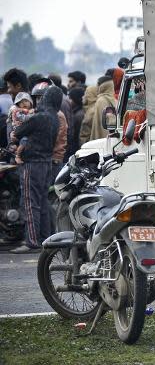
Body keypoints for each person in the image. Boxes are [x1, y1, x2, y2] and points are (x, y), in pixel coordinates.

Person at [10, 86, 61, 253]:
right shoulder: (55, 118)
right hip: (46, 163)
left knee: (30, 204)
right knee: (42, 203)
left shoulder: (38, 117)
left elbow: (17, 132)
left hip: (32, 164)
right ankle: (46, 238)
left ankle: (32, 241)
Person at [87, 75, 116, 142]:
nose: (97, 87)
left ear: (102, 86)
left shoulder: (101, 101)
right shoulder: (114, 99)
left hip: (103, 140)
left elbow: (101, 128)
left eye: (98, 85)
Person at [7, 92, 34, 163]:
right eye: (21, 102)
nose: (23, 103)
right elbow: (10, 127)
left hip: (29, 148)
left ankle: (18, 155)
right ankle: (17, 155)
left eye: (26, 101)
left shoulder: (34, 112)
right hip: (16, 137)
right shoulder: (16, 112)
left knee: (25, 140)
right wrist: (11, 136)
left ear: (30, 103)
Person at [66, 87, 85, 157]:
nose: (69, 100)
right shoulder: (77, 112)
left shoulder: (78, 115)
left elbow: (75, 135)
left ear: (76, 99)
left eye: (70, 98)